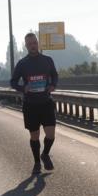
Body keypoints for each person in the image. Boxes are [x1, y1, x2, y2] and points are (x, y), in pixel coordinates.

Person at [11, 32, 59, 175]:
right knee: (35, 136)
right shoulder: (22, 63)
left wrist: (53, 85)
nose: (33, 45)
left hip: (46, 102)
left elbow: (54, 75)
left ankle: (45, 154)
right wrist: (22, 88)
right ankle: (37, 162)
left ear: (38, 43)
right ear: (26, 46)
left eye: (34, 43)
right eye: (30, 43)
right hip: (31, 105)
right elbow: (13, 82)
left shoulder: (47, 60)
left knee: (51, 134)